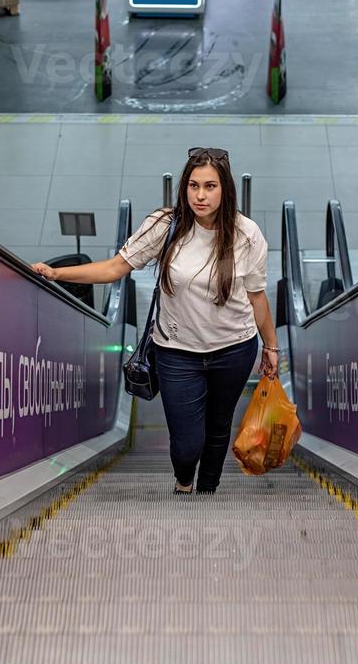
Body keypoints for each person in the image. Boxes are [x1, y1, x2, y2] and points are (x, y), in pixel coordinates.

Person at [31, 147, 280, 495]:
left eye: (210, 186)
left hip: (234, 349)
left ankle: (208, 490)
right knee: (187, 441)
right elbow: (115, 267)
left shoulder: (247, 234)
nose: (200, 195)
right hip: (176, 351)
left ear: (225, 189)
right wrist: (57, 273)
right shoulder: (167, 225)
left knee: (219, 424)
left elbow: (257, 297)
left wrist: (270, 345)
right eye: (193, 186)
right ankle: (184, 481)